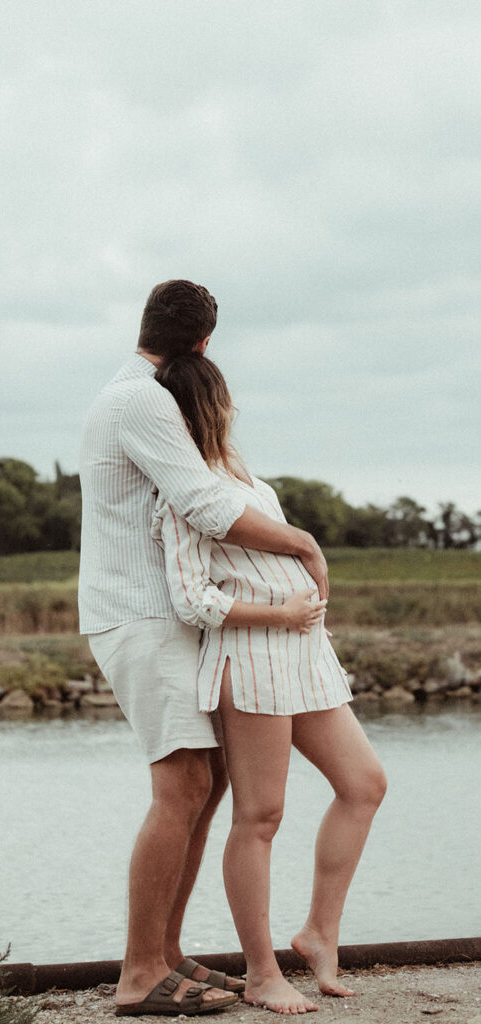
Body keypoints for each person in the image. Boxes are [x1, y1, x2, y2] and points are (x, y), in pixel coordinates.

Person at [78, 280, 331, 1017]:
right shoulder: (141, 400)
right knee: (182, 784)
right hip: (141, 617)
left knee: (209, 780)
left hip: (162, 619)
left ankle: (164, 953)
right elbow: (206, 504)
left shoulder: (132, 394)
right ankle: (136, 974)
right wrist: (301, 540)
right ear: (202, 344)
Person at [152, 353, 388, 1015]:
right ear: (209, 403)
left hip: (304, 651)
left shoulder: (238, 469)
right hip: (249, 652)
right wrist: (278, 613)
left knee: (363, 784)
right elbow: (190, 597)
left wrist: (308, 621)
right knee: (260, 816)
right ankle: (260, 973)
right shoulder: (182, 484)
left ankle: (318, 931)